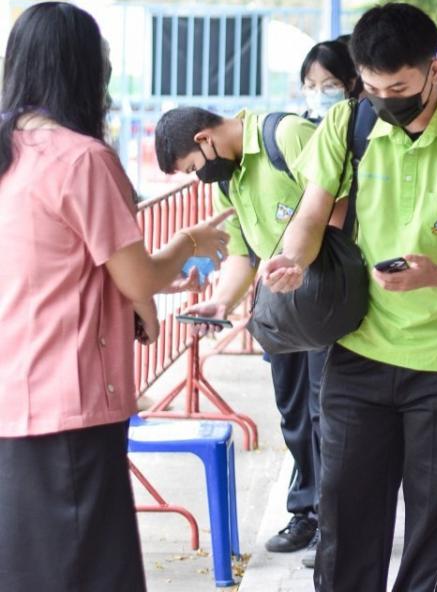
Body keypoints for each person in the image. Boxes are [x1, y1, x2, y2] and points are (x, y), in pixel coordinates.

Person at [261, 3, 437, 592]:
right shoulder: (349, 123)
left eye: (400, 89)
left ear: (434, 71)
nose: (386, 100)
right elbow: (312, 213)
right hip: (359, 351)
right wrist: (293, 258)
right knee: (345, 521)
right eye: (373, 87)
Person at [0, 2, 231, 592]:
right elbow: (139, 279)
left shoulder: (10, 154)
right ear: (83, 68)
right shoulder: (81, 158)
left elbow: (53, 266)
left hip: (12, 393)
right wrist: (189, 242)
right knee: (88, 569)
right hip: (67, 398)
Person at [154, 104, 327, 559]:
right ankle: (307, 512)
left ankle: (337, 522)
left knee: (327, 412)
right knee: (294, 414)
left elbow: (341, 203)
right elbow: (242, 254)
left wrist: (300, 257)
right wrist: (222, 302)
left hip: (327, 297)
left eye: (193, 167)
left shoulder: (286, 135)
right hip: (280, 307)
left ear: (204, 139)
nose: (199, 178)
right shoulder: (227, 178)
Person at [301, 40, 361, 121]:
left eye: (329, 86)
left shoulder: (363, 123)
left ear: (351, 83)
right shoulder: (299, 125)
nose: (319, 97)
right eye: (311, 86)